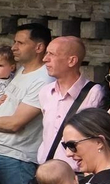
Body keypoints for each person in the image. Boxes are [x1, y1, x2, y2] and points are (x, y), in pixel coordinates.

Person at [0, 23, 53, 184]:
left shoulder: (43, 79)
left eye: (20, 43)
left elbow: (15, 123)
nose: (14, 47)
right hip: (1, 154)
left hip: (19, 159)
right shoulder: (20, 71)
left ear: (39, 47)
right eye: (14, 42)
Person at [36, 36, 105, 170]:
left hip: (77, 174)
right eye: (46, 53)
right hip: (46, 170)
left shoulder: (94, 93)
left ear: (72, 60)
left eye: (52, 54)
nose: (45, 59)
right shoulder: (45, 92)